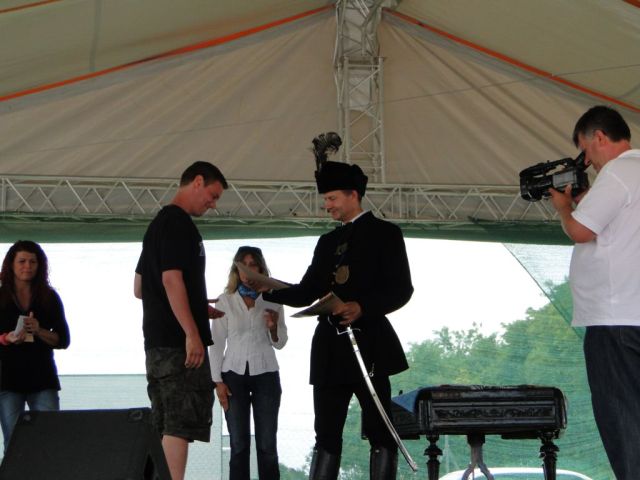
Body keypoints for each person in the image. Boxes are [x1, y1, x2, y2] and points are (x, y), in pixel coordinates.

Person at [259, 133, 413, 480]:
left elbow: (401, 289)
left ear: (352, 195)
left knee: (380, 429)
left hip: (369, 344)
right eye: (325, 199)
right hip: (330, 348)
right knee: (326, 432)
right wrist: (266, 289)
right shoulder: (327, 241)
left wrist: (362, 306)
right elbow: (307, 292)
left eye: (331, 198)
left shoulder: (386, 233)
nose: (326, 205)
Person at [549, 105, 640, 479]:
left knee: (623, 419)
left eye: (585, 151)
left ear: (599, 137)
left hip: (615, 318)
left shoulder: (618, 172)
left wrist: (564, 208)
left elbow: (582, 231)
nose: (586, 162)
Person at [134, 161, 227, 480]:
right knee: (179, 425)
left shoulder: (156, 226)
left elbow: (140, 287)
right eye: (213, 195)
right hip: (178, 345)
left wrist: (197, 308)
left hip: (156, 344)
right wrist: (192, 331)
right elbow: (171, 279)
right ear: (197, 181)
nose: (213, 204)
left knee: (163, 425)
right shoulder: (178, 223)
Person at [210, 246, 287, 479]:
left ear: (261, 269)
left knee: (267, 445)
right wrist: (217, 381)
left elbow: (280, 343)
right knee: (238, 444)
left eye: (252, 265)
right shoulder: (225, 301)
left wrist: (273, 329)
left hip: (266, 374)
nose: (247, 270)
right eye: (243, 265)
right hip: (233, 375)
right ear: (236, 269)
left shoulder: (273, 299)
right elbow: (216, 343)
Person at [0, 240, 71, 452]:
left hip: (42, 378)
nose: (27, 266)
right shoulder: (1, 297)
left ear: (40, 265)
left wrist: (39, 330)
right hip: (8, 380)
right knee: (13, 442)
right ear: (11, 264)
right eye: (22, 261)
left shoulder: (49, 297)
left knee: (49, 439)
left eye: (33, 262)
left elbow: (63, 340)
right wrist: (7, 338)